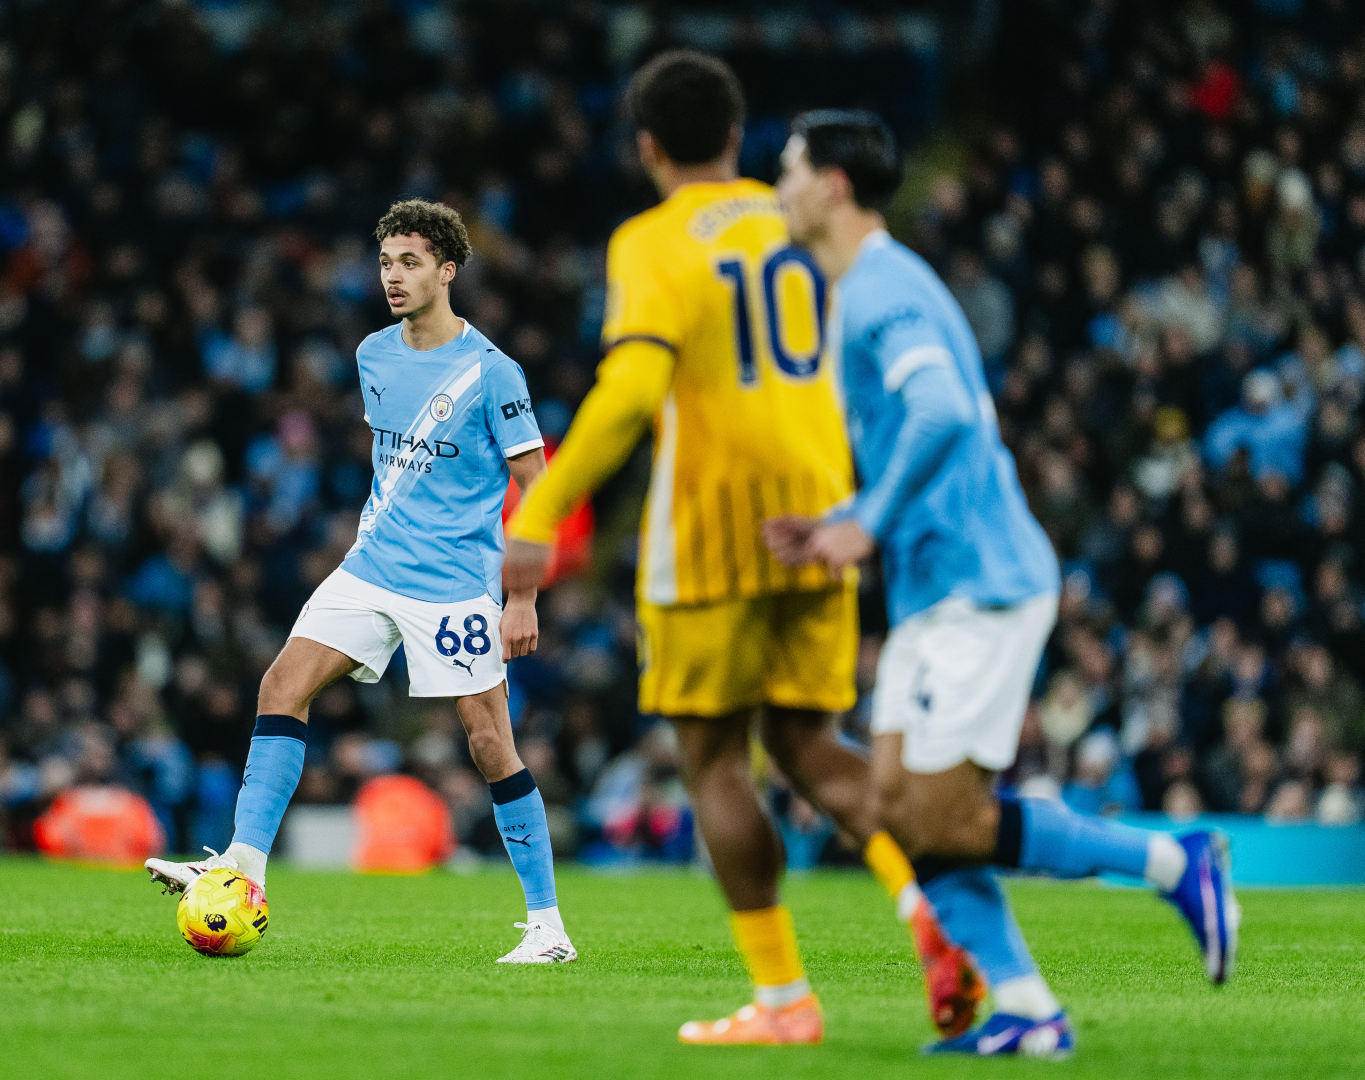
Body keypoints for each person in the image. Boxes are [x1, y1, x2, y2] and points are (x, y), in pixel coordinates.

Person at [501, 50, 977, 1046]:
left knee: (716, 762)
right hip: (820, 515)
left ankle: (783, 1000)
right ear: (736, 134)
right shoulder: (797, 214)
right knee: (812, 745)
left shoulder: (652, 240)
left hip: (713, 530)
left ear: (645, 148)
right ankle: (932, 913)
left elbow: (632, 391)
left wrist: (538, 521)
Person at [764, 109, 1237, 1059]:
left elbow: (939, 412)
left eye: (788, 169)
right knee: (905, 812)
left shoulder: (880, 288)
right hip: (939, 584)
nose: (778, 188)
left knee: (943, 815)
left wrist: (866, 520)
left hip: (978, 582)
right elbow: (931, 429)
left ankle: (1168, 860)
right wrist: (847, 515)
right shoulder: (871, 285)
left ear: (835, 185)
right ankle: (1026, 1010)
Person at [145, 200, 574, 964]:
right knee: (281, 685)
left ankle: (548, 926)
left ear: (447, 270)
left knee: (488, 743)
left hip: (454, 586)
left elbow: (537, 489)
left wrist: (521, 597)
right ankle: (242, 873)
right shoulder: (373, 354)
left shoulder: (492, 371)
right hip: (371, 568)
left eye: (410, 263)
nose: (393, 277)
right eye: (384, 263)